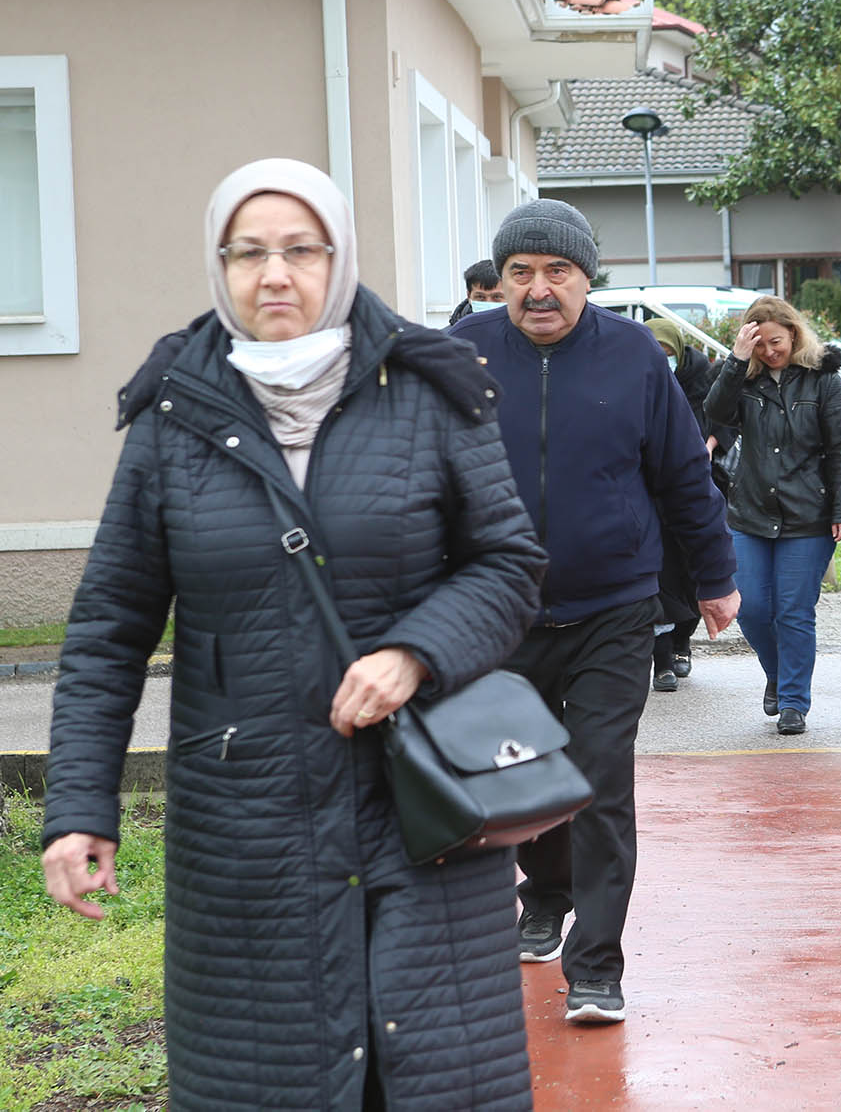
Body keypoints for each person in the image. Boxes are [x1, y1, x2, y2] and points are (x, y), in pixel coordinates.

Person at [41, 159, 548, 1110]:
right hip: (249, 827)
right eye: (249, 252)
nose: (274, 274)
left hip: (424, 806)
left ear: (340, 258)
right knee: (271, 1078)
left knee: (431, 1073)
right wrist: (78, 808)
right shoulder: (171, 415)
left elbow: (509, 563)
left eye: (300, 250)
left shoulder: (431, 388)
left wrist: (414, 652)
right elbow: (109, 627)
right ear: (219, 266)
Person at [450, 199, 739, 1026]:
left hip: (614, 604)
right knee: (523, 770)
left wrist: (716, 577)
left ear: (587, 277)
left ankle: (598, 964)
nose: (540, 290)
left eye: (557, 272)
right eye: (521, 274)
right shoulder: (459, 355)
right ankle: (544, 891)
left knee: (602, 776)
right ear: (499, 281)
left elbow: (686, 474)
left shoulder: (634, 356)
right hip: (501, 609)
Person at [703, 296, 841, 735]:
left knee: (793, 610)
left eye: (777, 341)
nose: (771, 351)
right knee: (750, 606)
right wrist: (736, 360)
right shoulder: (742, 378)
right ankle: (777, 672)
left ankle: (792, 701)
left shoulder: (822, 378)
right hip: (751, 510)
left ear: (794, 333)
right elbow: (714, 412)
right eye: (762, 343)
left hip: (809, 512)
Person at [644, 316, 734, 693]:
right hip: (650, 493)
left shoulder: (704, 377)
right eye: (657, 354)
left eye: (668, 354)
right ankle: (661, 659)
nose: (663, 360)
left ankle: (683, 641)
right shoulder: (638, 378)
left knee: (691, 574)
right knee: (660, 576)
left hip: (698, 487)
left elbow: (724, 419)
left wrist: (706, 448)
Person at [447, 258, 503, 325]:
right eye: (480, 297)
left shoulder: (517, 333)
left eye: (496, 297)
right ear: (469, 296)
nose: (488, 303)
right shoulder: (451, 334)